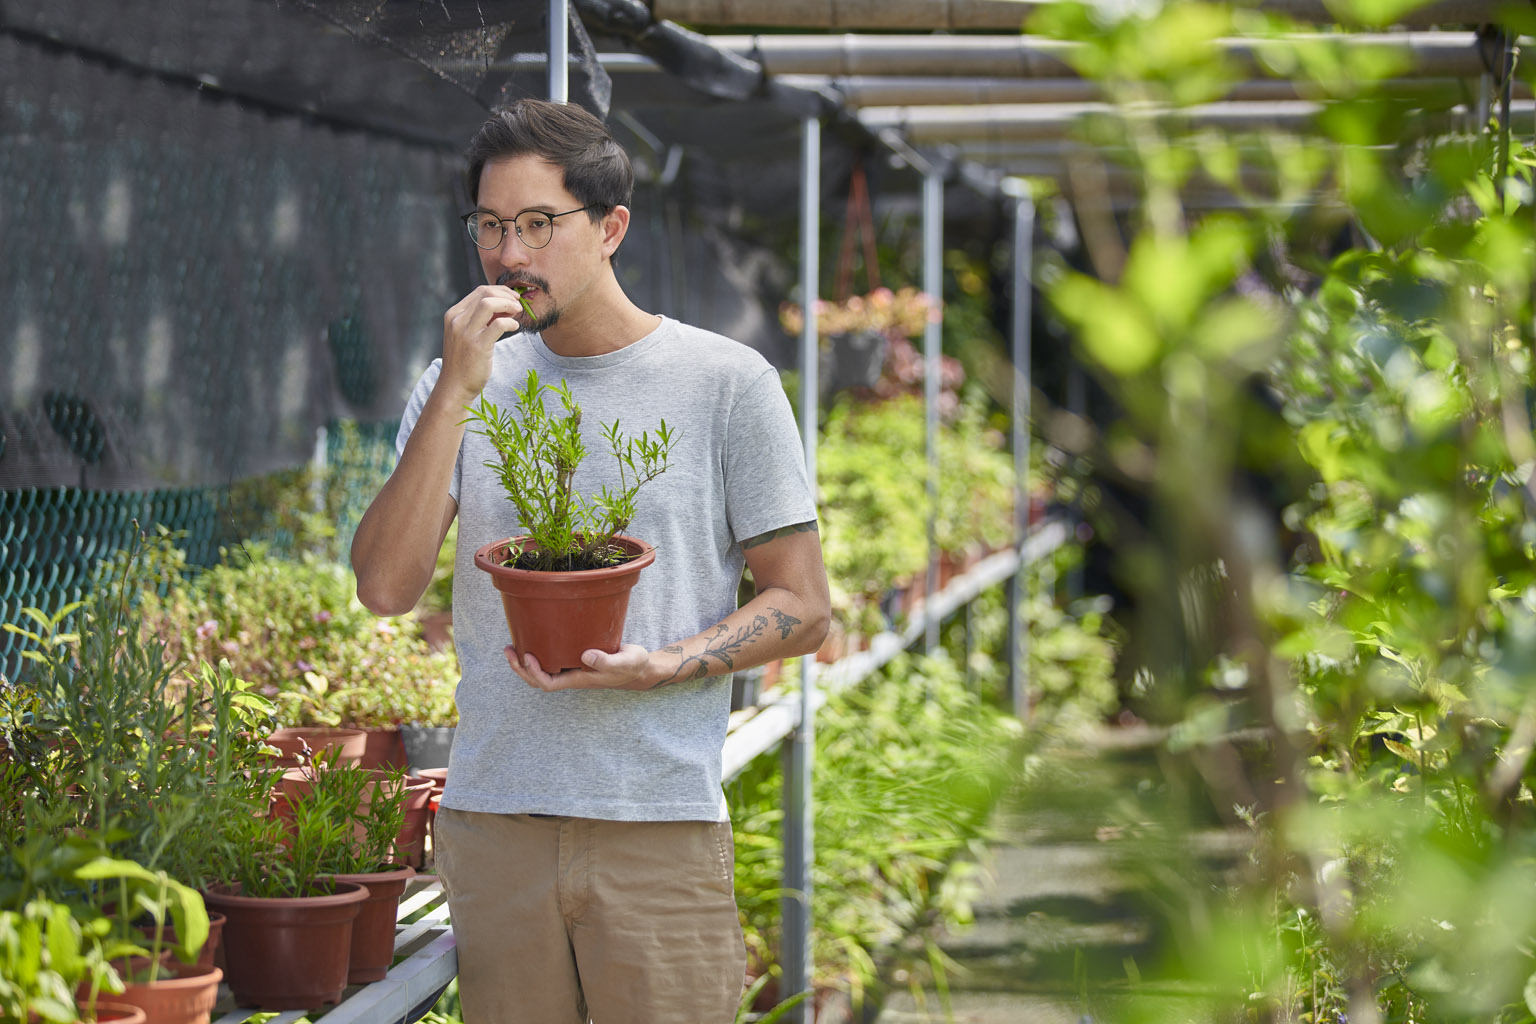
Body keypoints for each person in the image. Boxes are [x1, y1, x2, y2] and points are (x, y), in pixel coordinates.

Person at [350, 98, 831, 1024]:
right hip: (495, 824)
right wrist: (456, 386)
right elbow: (384, 586)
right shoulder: (461, 381)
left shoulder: (726, 383)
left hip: (658, 824)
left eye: (538, 223)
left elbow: (804, 606)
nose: (509, 253)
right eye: (489, 226)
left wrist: (665, 665)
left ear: (610, 227)